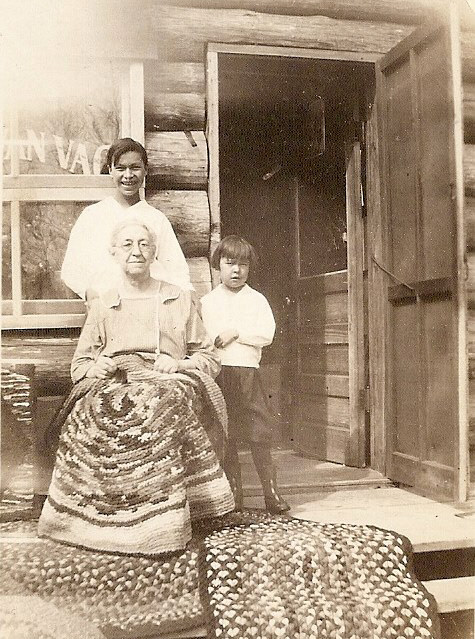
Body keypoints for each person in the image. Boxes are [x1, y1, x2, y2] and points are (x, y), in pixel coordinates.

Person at [38, 219, 234, 555]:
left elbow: (208, 358)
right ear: (114, 252)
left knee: (159, 404)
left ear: (154, 252)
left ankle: (162, 522)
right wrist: (96, 365)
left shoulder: (179, 298)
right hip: (117, 380)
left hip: (169, 379)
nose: (136, 251)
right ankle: (90, 516)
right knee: (90, 410)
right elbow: (80, 366)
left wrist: (180, 364)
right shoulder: (104, 303)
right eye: (127, 244)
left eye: (143, 244)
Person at [200, 235, 290, 515]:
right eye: (230, 264)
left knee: (259, 432)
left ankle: (270, 493)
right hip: (220, 374)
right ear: (219, 265)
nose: (236, 270)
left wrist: (236, 332)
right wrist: (218, 337)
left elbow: (266, 334)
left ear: (250, 268)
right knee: (226, 435)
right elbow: (206, 338)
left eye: (242, 264)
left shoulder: (256, 300)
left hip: (249, 373)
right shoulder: (208, 302)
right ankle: (234, 495)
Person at [61, 138, 191, 301]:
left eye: (135, 168)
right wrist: (89, 293)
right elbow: (71, 269)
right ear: (110, 170)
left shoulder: (156, 218)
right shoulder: (92, 216)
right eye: (121, 168)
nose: (128, 175)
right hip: (105, 308)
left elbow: (177, 271)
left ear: (146, 170)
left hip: (148, 307)